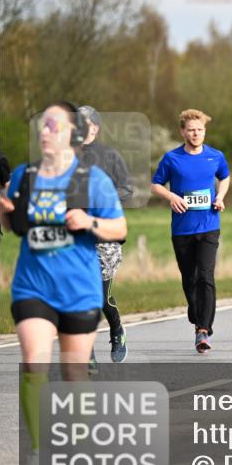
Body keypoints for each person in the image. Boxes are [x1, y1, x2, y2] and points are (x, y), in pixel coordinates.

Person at [1, 102, 126, 465]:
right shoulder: (25, 175)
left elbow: (118, 227)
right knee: (34, 360)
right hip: (33, 284)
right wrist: (3, 208)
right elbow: (16, 222)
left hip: (78, 288)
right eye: (42, 125)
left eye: (53, 126)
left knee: (74, 373)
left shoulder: (92, 179)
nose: (44, 131)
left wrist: (90, 221)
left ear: (72, 134)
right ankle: (37, 455)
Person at [150, 109, 230, 354]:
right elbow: (155, 185)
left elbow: (224, 177)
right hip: (182, 229)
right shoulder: (171, 158)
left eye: (200, 130)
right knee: (189, 279)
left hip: (208, 226)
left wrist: (220, 196)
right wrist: (171, 196)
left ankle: (202, 329)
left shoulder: (215, 156)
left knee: (206, 276)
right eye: (191, 130)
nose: (195, 134)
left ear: (204, 131)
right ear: (183, 131)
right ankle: (197, 315)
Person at [77, 106, 133, 367]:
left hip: (105, 237)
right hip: (74, 237)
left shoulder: (109, 155)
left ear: (95, 128)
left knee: (100, 298)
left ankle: (117, 329)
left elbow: (127, 189)